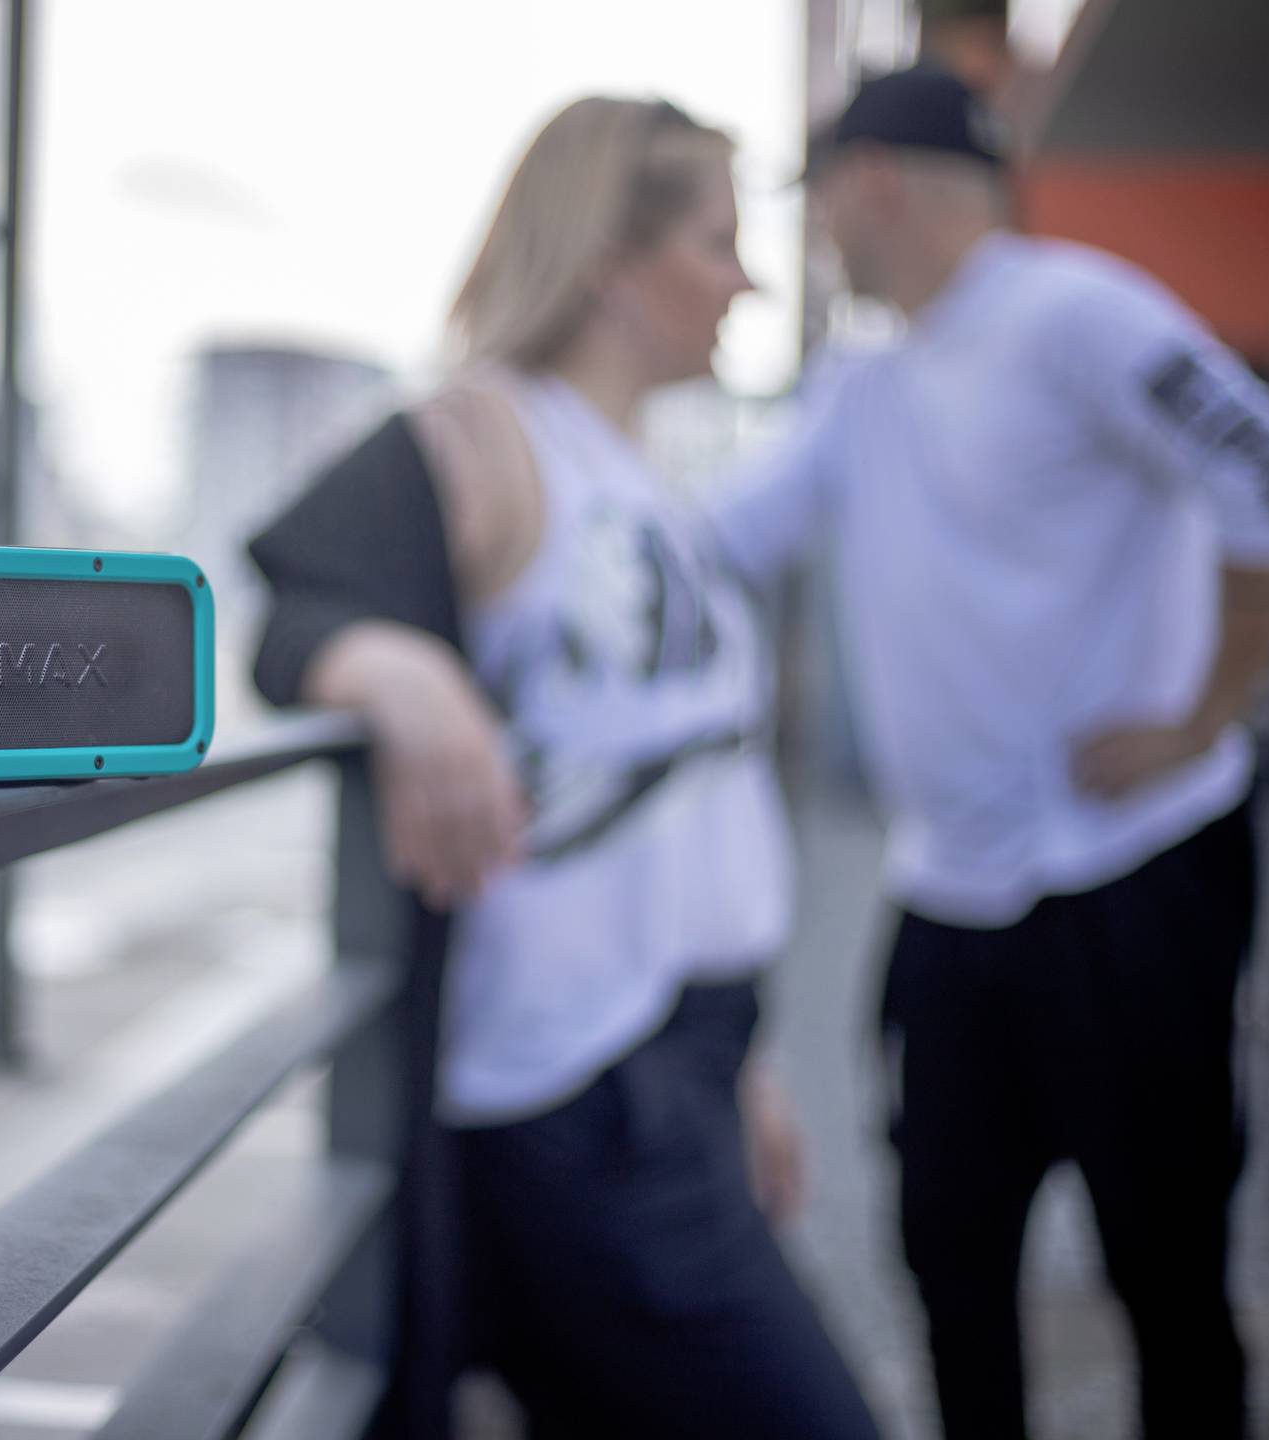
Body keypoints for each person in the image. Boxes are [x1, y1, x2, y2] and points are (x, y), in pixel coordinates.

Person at [249, 96, 880, 1439]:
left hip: (677, 1067)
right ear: (609, 259)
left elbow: (685, 792)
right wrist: (399, 672)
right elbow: (294, 598)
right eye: (717, 242)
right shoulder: (484, 432)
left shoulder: (642, 472)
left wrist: (743, 1065)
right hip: (578, 1086)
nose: (748, 283)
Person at [717, 64, 1269, 1440]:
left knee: (1166, 1269)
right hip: (951, 896)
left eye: (820, 202)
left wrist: (1203, 717)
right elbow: (714, 543)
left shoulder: (1075, 314)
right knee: (948, 1260)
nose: (816, 234)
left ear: (872, 183)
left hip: (1132, 878)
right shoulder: (865, 383)